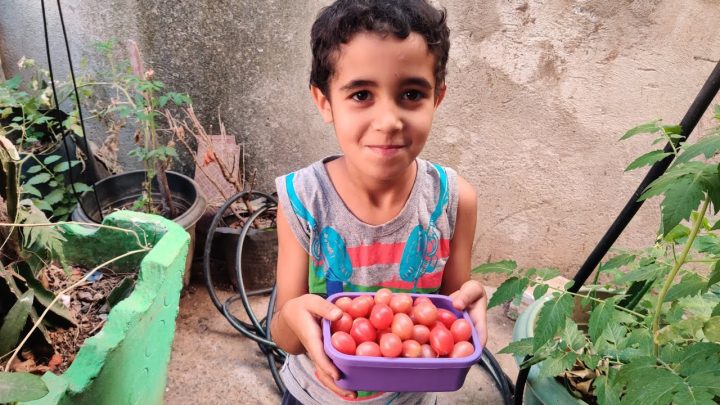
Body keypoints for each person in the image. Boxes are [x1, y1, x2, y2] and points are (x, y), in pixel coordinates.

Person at [270, 1, 488, 403]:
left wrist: (470, 306)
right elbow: (285, 332)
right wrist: (295, 318)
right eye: (361, 94)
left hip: (410, 397)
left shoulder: (455, 201)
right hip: (314, 396)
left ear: (437, 97)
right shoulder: (304, 201)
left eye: (410, 93)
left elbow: (450, 311)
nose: (388, 120)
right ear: (324, 102)